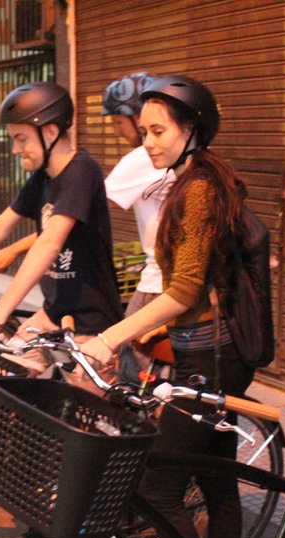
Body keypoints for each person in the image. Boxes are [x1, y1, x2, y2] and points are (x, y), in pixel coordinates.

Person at [78, 75, 260, 538]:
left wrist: (111, 336)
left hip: (211, 358)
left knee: (160, 479)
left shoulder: (200, 188)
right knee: (216, 476)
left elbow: (183, 288)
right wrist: (153, 329)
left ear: (191, 131)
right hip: (208, 351)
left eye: (159, 131)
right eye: (146, 129)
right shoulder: (192, 181)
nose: (148, 141)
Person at [0, 81, 123, 341]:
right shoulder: (43, 176)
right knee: (4, 369)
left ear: (50, 132)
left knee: (77, 382)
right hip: (53, 313)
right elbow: (2, 225)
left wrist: (2, 310)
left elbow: (50, 242)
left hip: (90, 323)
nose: (15, 149)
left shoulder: (81, 171)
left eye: (21, 138)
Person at [100, 72, 173, 380]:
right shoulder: (181, 154)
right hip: (177, 283)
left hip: (159, 284)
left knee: (127, 370)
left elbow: (84, 210)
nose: (118, 132)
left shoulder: (144, 156)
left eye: (119, 122)